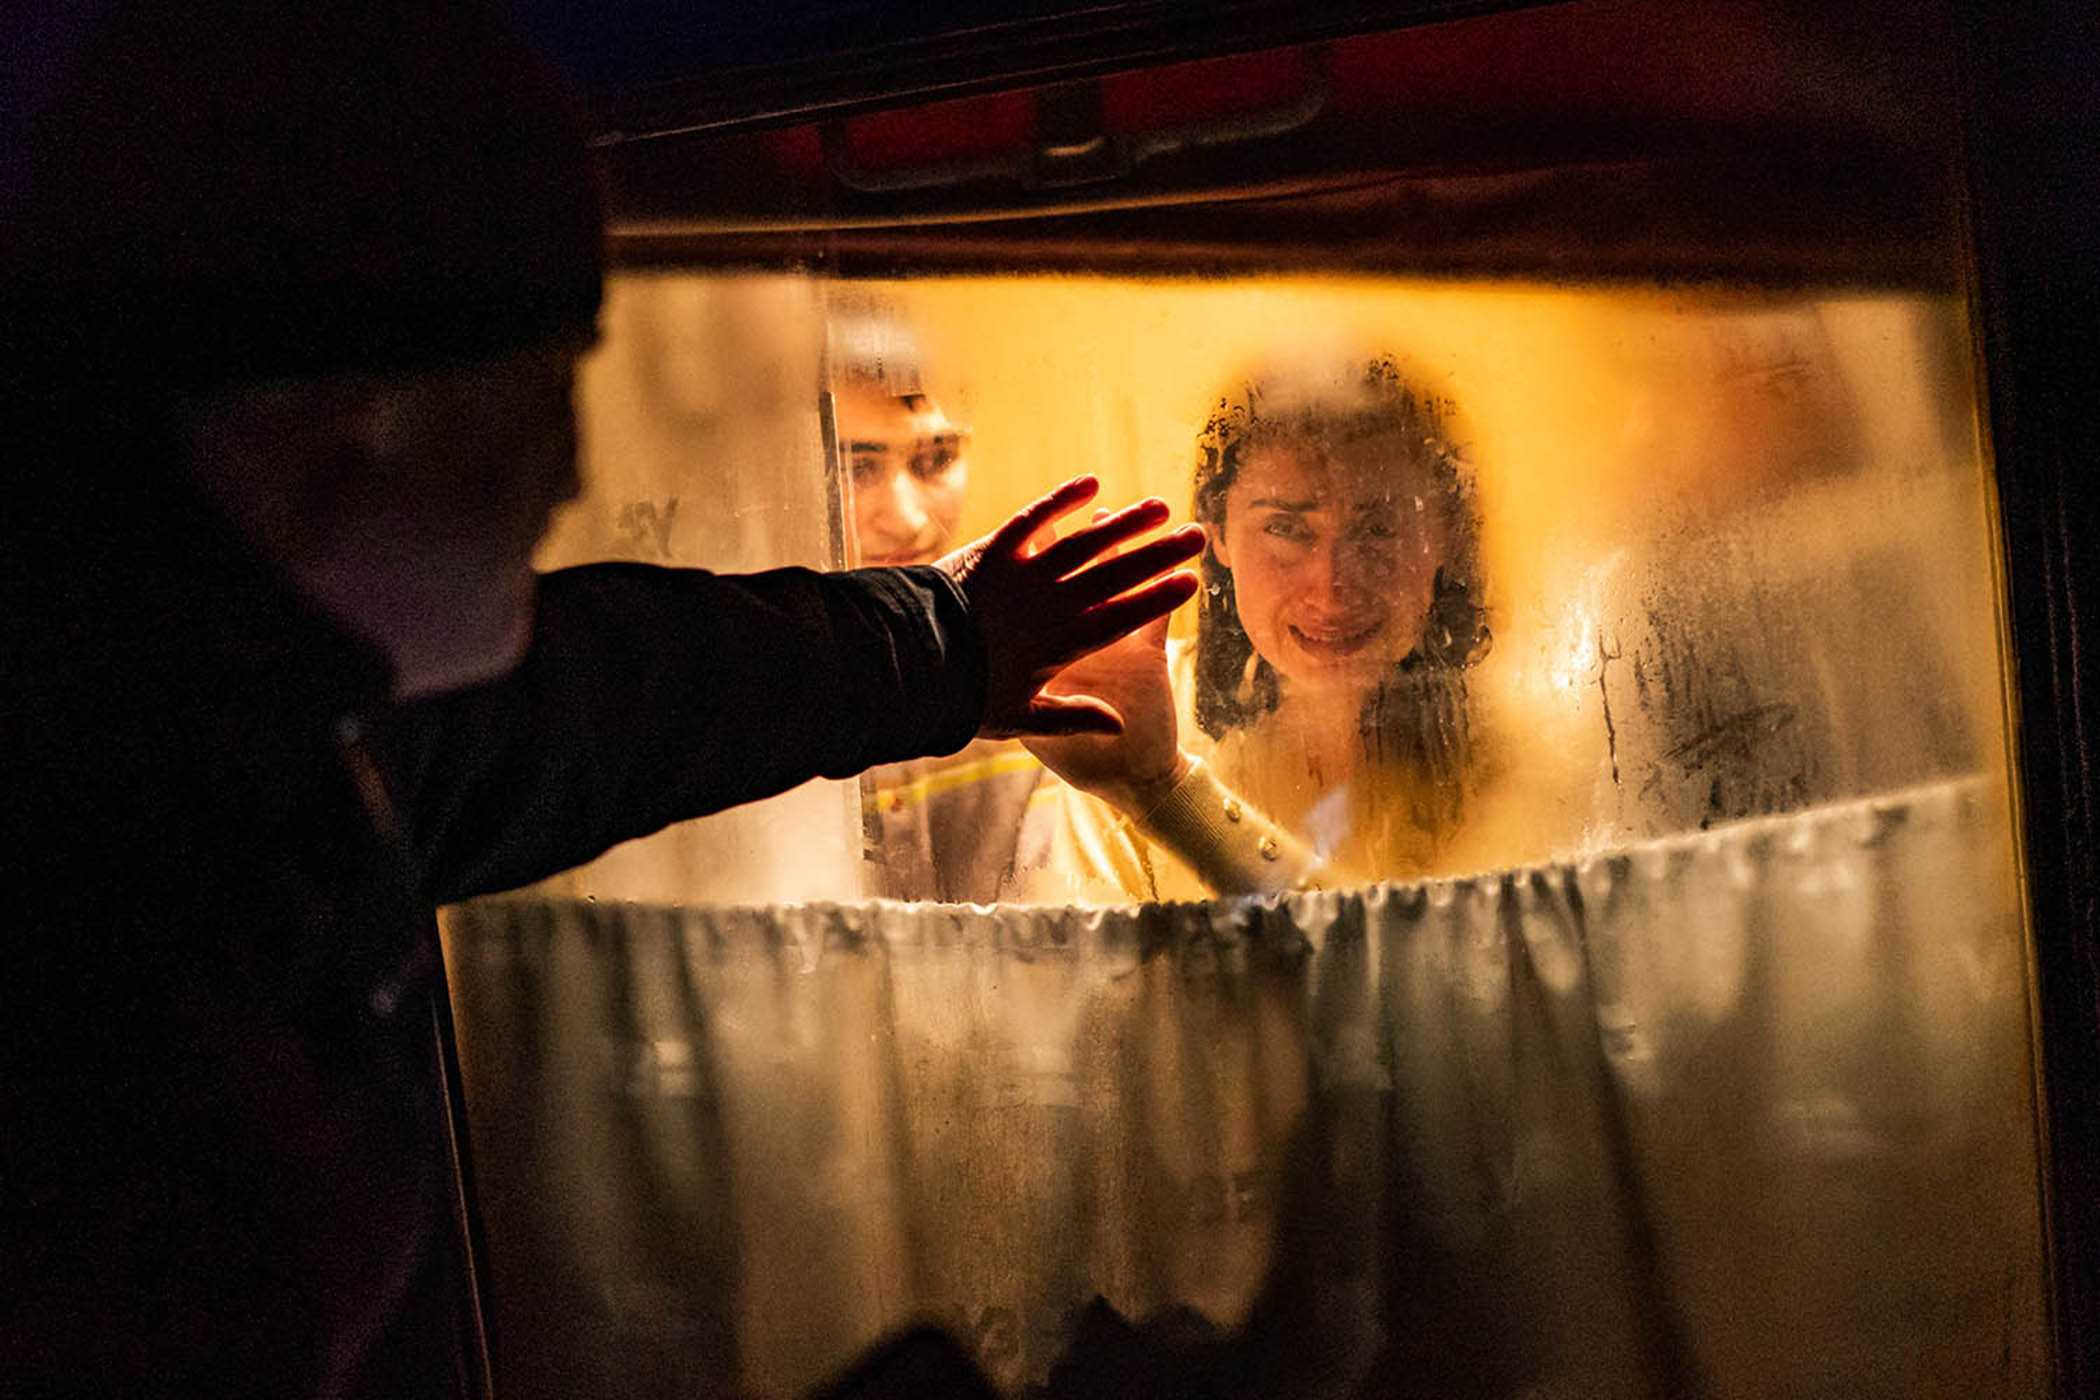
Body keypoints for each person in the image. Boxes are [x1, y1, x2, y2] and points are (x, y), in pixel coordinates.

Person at [0, 3, 1202, 1395]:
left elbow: (602, 702)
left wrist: (949, 642)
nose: (571, 473)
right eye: (543, 386)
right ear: (350, 426)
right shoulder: (107, 937)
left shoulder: (234, 741)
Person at [1020, 351, 1491, 901]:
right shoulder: (1133, 703)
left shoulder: (1511, 739)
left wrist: (1161, 790)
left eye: (1379, 528)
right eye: (1285, 528)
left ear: (1445, 534)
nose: (1330, 586)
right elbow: (1090, 952)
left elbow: (1432, 952)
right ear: (1218, 534)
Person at [828, 297, 1058, 902]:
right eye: (856, 469)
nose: (907, 520)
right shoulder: (743, 687)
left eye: (935, 459)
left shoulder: (1028, 682)